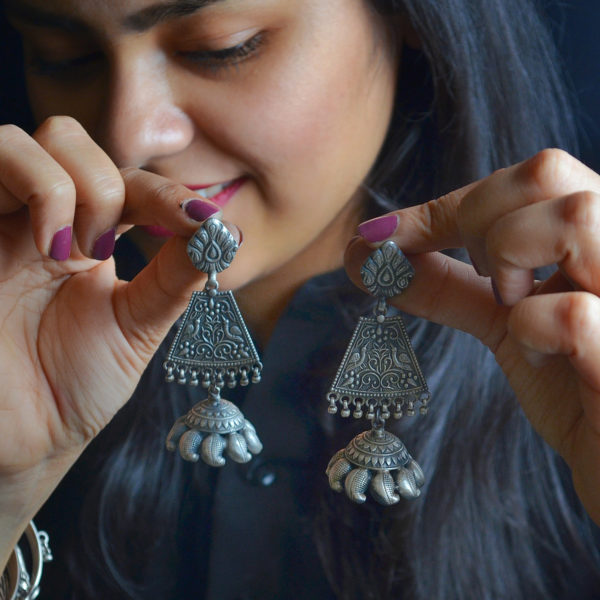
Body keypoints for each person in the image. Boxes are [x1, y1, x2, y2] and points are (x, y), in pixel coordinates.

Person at [1, 0, 600, 598]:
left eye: (221, 47)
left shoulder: (569, 350)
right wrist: (9, 489)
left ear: (410, 16)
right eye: (65, 58)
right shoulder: (27, 334)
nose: (126, 137)